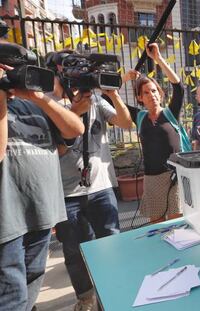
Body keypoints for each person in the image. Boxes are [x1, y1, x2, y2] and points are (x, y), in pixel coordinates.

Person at [45, 50, 133, 310]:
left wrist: (113, 93)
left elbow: (125, 123)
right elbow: (57, 143)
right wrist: (74, 110)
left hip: (101, 187)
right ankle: (85, 297)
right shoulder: (49, 102)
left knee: (111, 241)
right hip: (66, 192)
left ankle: (114, 290)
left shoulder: (96, 99)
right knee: (74, 250)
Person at [0, 60, 84, 310]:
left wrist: (38, 97)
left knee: (30, 287)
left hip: (41, 213)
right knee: (11, 296)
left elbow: (74, 129)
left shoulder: (35, 104)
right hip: (8, 219)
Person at [123, 43, 184, 223]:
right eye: (146, 92)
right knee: (157, 226)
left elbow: (179, 88)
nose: (152, 95)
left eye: (155, 90)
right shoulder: (139, 116)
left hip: (175, 176)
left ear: (160, 93)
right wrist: (125, 78)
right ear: (140, 98)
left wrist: (158, 60)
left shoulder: (170, 112)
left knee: (176, 223)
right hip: (152, 178)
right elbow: (107, 99)